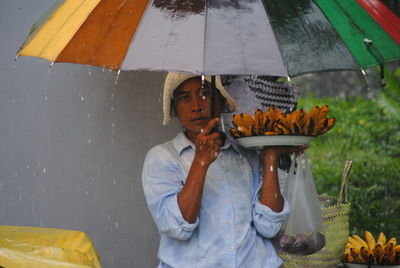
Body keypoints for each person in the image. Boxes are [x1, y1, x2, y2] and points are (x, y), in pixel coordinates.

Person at [142, 72, 307, 268]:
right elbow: (178, 227)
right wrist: (200, 162)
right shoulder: (162, 158)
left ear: (220, 102)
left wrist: (270, 156)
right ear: (175, 109)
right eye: (184, 98)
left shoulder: (247, 153)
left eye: (205, 93)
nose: (196, 106)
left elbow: (270, 226)